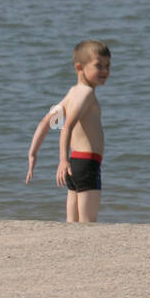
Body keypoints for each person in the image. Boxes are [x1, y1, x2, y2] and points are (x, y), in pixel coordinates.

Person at [25, 40, 111, 223]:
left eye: (107, 66)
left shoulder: (72, 93)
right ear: (79, 67)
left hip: (76, 163)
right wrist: (62, 160)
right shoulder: (86, 94)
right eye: (98, 66)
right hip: (87, 164)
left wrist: (33, 152)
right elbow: (68, 126)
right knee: (88, 222)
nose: (104, 71)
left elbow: (46, 122)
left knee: (72, 223)